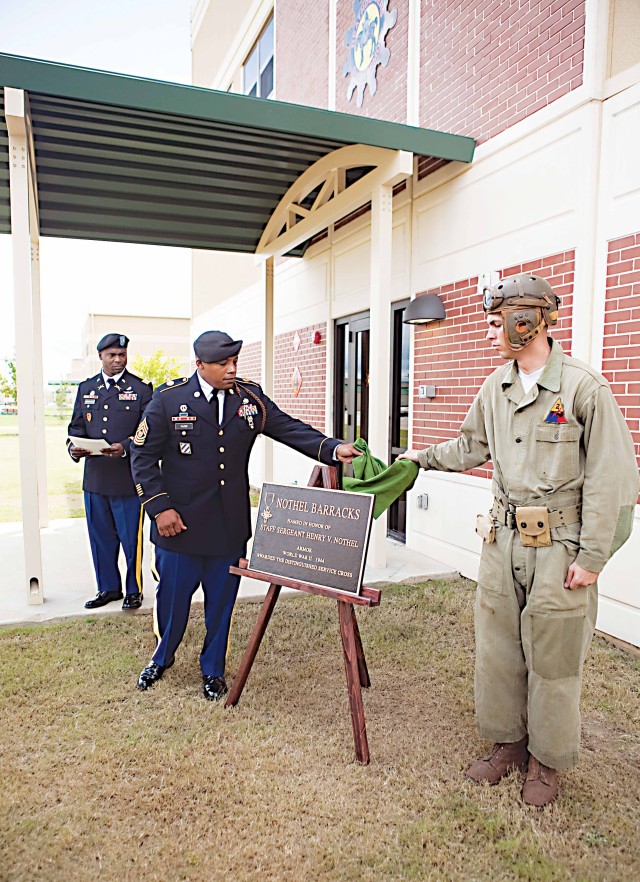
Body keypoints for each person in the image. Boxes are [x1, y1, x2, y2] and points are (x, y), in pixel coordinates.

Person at [399, 273, 639, 806]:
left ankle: (546, 762)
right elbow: (470, 445)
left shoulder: (583, 387)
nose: (489, 334)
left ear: (525, 321)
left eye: (494, 323)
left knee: (554, 657)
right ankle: (508, 743)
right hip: (502, 543)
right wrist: (420, 458)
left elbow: (615, 480)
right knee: (499, 649)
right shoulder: (496, 387)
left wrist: (594, 557)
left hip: (561, 548)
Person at [130, 330, 362, 701]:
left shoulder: (249, 398)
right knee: (172, 602)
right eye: (223, 364)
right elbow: (140, 459)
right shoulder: (168, 400)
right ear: (200, 365)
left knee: (221, 604)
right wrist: (160, 509)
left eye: (235, 362)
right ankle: (162, 656)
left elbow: (288, 428)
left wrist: (332, 449)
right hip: (178, 527)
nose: (231, 369)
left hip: (227, 526)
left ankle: (212, 670)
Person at [67, 334, 153, 610]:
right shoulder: (86, 388)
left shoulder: (141, 389)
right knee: (100, 539)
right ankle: (108, 588)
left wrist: (126, 446)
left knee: (131, 540)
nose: (117, 360)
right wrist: (73, 448)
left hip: (127, 480)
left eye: (122, 355)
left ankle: (133, 590)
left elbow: (147, 432)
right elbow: (76, 428)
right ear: (101, 356)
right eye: (112, 355)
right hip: (95, 480)